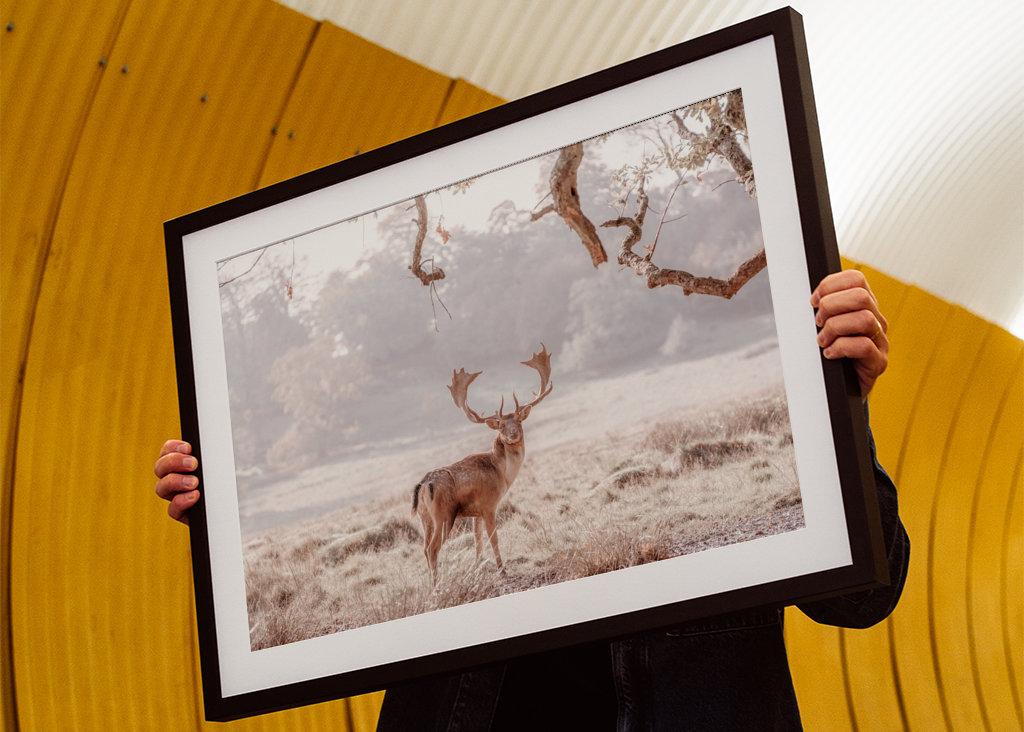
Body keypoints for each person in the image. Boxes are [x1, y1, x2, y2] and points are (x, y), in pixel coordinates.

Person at [155, 270, 909, 731]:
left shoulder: (798, 370)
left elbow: (866, 597)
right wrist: (226, 517)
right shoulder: (471, 463)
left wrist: (840, 406)